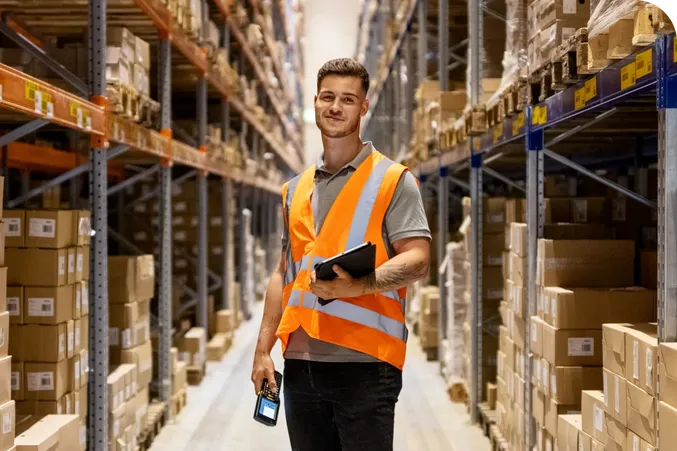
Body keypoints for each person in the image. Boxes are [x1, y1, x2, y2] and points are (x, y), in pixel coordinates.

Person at [250, 58, 431, 451]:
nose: (336, 107)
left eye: (348, 99)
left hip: (365, 368)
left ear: (363, 107)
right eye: (328, 97)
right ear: (315, 102)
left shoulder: (392, 180)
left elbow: (417, 258)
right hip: (300, 366)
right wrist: (263, 351)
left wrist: (361, 286)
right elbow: (283, 274)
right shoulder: (294, 189)